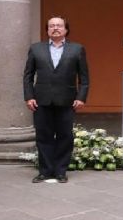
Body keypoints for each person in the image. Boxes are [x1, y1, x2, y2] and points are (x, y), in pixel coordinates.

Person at [23, 16, 90, 184]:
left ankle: (61, 171)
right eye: (51, 26)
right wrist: (29, 96)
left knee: (65, 136)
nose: (55, 28)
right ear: (47, 30)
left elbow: (84, 77)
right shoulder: (36, 49)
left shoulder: (77, 49)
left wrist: (81, 97)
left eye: (59, 25)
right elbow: (28, 76)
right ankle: (45, 171)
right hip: (41, 100)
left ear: (66, 29)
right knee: (43, 136)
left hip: (67, 100)